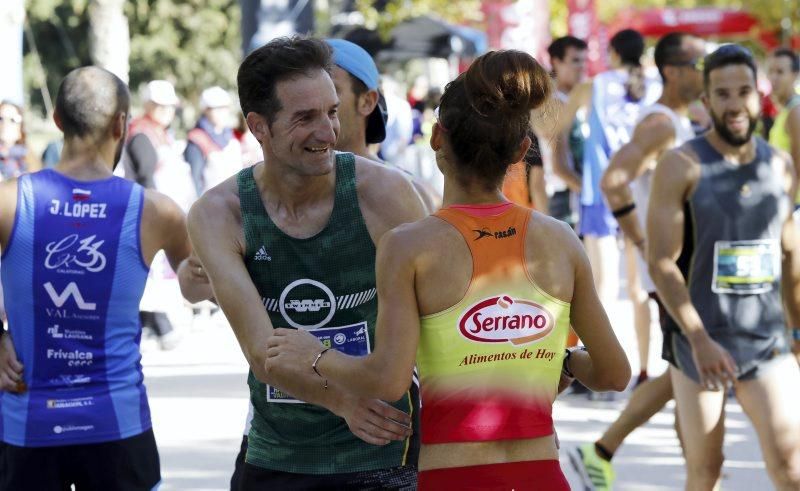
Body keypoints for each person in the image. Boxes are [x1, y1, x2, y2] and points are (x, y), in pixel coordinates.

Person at [263, 49, 631, 489]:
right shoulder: (559, 240)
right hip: (540, 473)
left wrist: (315, 356)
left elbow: (388, 379)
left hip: (454, 476)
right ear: (521, 149)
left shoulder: (410, 246)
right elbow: (614, 373)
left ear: (437, 138)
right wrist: (562, 359)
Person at [187, 36, 427, 490]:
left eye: (332, 112)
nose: (328, 132)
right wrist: (343, 402)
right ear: (258, 126)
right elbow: (263, 354)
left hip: (383, 448)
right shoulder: (219, 213)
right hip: (278, 452)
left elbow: (440, 315)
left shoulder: (385, 194)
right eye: (305, 118)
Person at [0, 66, 209, 490]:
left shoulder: (9, 200)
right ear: (122, 125)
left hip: (29, 426)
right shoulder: (157, 211)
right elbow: (197, 283)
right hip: (118, 425)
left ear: (56, 119)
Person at [648, 44, 800, 490]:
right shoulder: (681, 165)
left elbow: (790, 258)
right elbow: (660, 262)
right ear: (707, 101)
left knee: (792, 467)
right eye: (723, 94)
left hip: (766, 341)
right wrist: (698, 339)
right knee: (706, 470)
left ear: (759, 94)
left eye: (744, 92)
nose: (735, 105)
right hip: (701, 344)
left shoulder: (780, 166)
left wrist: (796, 334)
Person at [569, 32, 706, 491]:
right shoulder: (662, 124)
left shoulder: (677, 121)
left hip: (682, 272)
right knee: (696, 373)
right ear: (671, 70)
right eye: (696, 65)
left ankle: (613, 452)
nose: (702, 73)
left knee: (689, 375)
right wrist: (646, 243)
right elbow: (614, 181)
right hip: (673, 275)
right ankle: (695, 472)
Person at [326, 38, 438, 212]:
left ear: (367, 102)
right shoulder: (280, 189)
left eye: (330, 90)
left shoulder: (409, 194)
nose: (313, 104)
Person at [125, 80, 196, 350]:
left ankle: (153, 324)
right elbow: (146, 177)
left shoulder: (160, 132)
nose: (167, 111)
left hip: (162, 211)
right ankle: (156, 324)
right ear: (148, 105)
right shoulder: (143, 135)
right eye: (161, 106)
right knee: (151, 273)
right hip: (149, 213)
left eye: (170, 106)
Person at [547, 35, 588, 227]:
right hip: (564, 200)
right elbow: (559, 167)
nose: (581, 67)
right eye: (575, 61)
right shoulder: (552, 104)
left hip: (576, 195)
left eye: (583, 60)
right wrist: (592, 193)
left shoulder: (576, 101)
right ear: (556, 62)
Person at [184, 86, 243, 195]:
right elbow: (194, 181)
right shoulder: (196, 139)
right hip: (211, 204)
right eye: (217, 108)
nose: (223, 112)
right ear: (206, 110)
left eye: (225, 108)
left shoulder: (230, 135)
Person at [767, 47, 800, 204]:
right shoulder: (787, 109)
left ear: (794, 75)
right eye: (771, 71)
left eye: (780, 72)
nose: (773, 77)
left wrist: (787, 213)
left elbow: (798, 167)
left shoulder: (795, 110)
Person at [0, 100, 29, 180]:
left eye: (13, 120)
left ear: (20, 129)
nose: (5, 123)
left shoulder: (27, 157)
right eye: (0, 118)